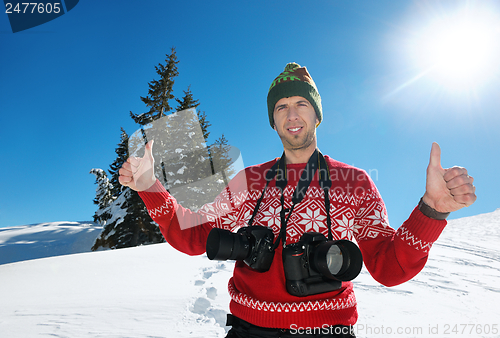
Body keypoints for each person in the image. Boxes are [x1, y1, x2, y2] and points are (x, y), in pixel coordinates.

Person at [118, 63, 476, 338]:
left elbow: (389, 267)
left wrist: (432, 210)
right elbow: (193, 237)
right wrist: (150, 185)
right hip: (249, 327)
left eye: (302, 103)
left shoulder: (353, 182)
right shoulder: (250, 181)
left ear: (316, 114)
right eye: (282, 107)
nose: (292, 114)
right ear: (273, 121)